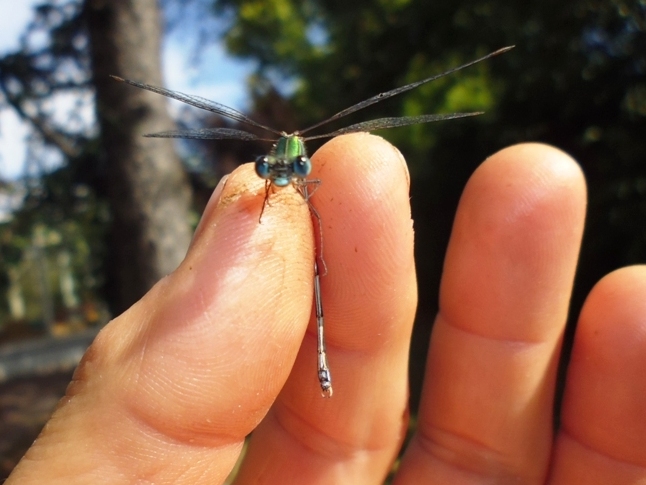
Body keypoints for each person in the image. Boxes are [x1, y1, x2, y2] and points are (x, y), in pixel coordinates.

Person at [7, 135, 646, 484]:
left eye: (285, 167)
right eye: (273, 168)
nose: (276, 172)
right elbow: (269, 182)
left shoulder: (302, 175)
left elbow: (296, 183)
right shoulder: (271, 172)